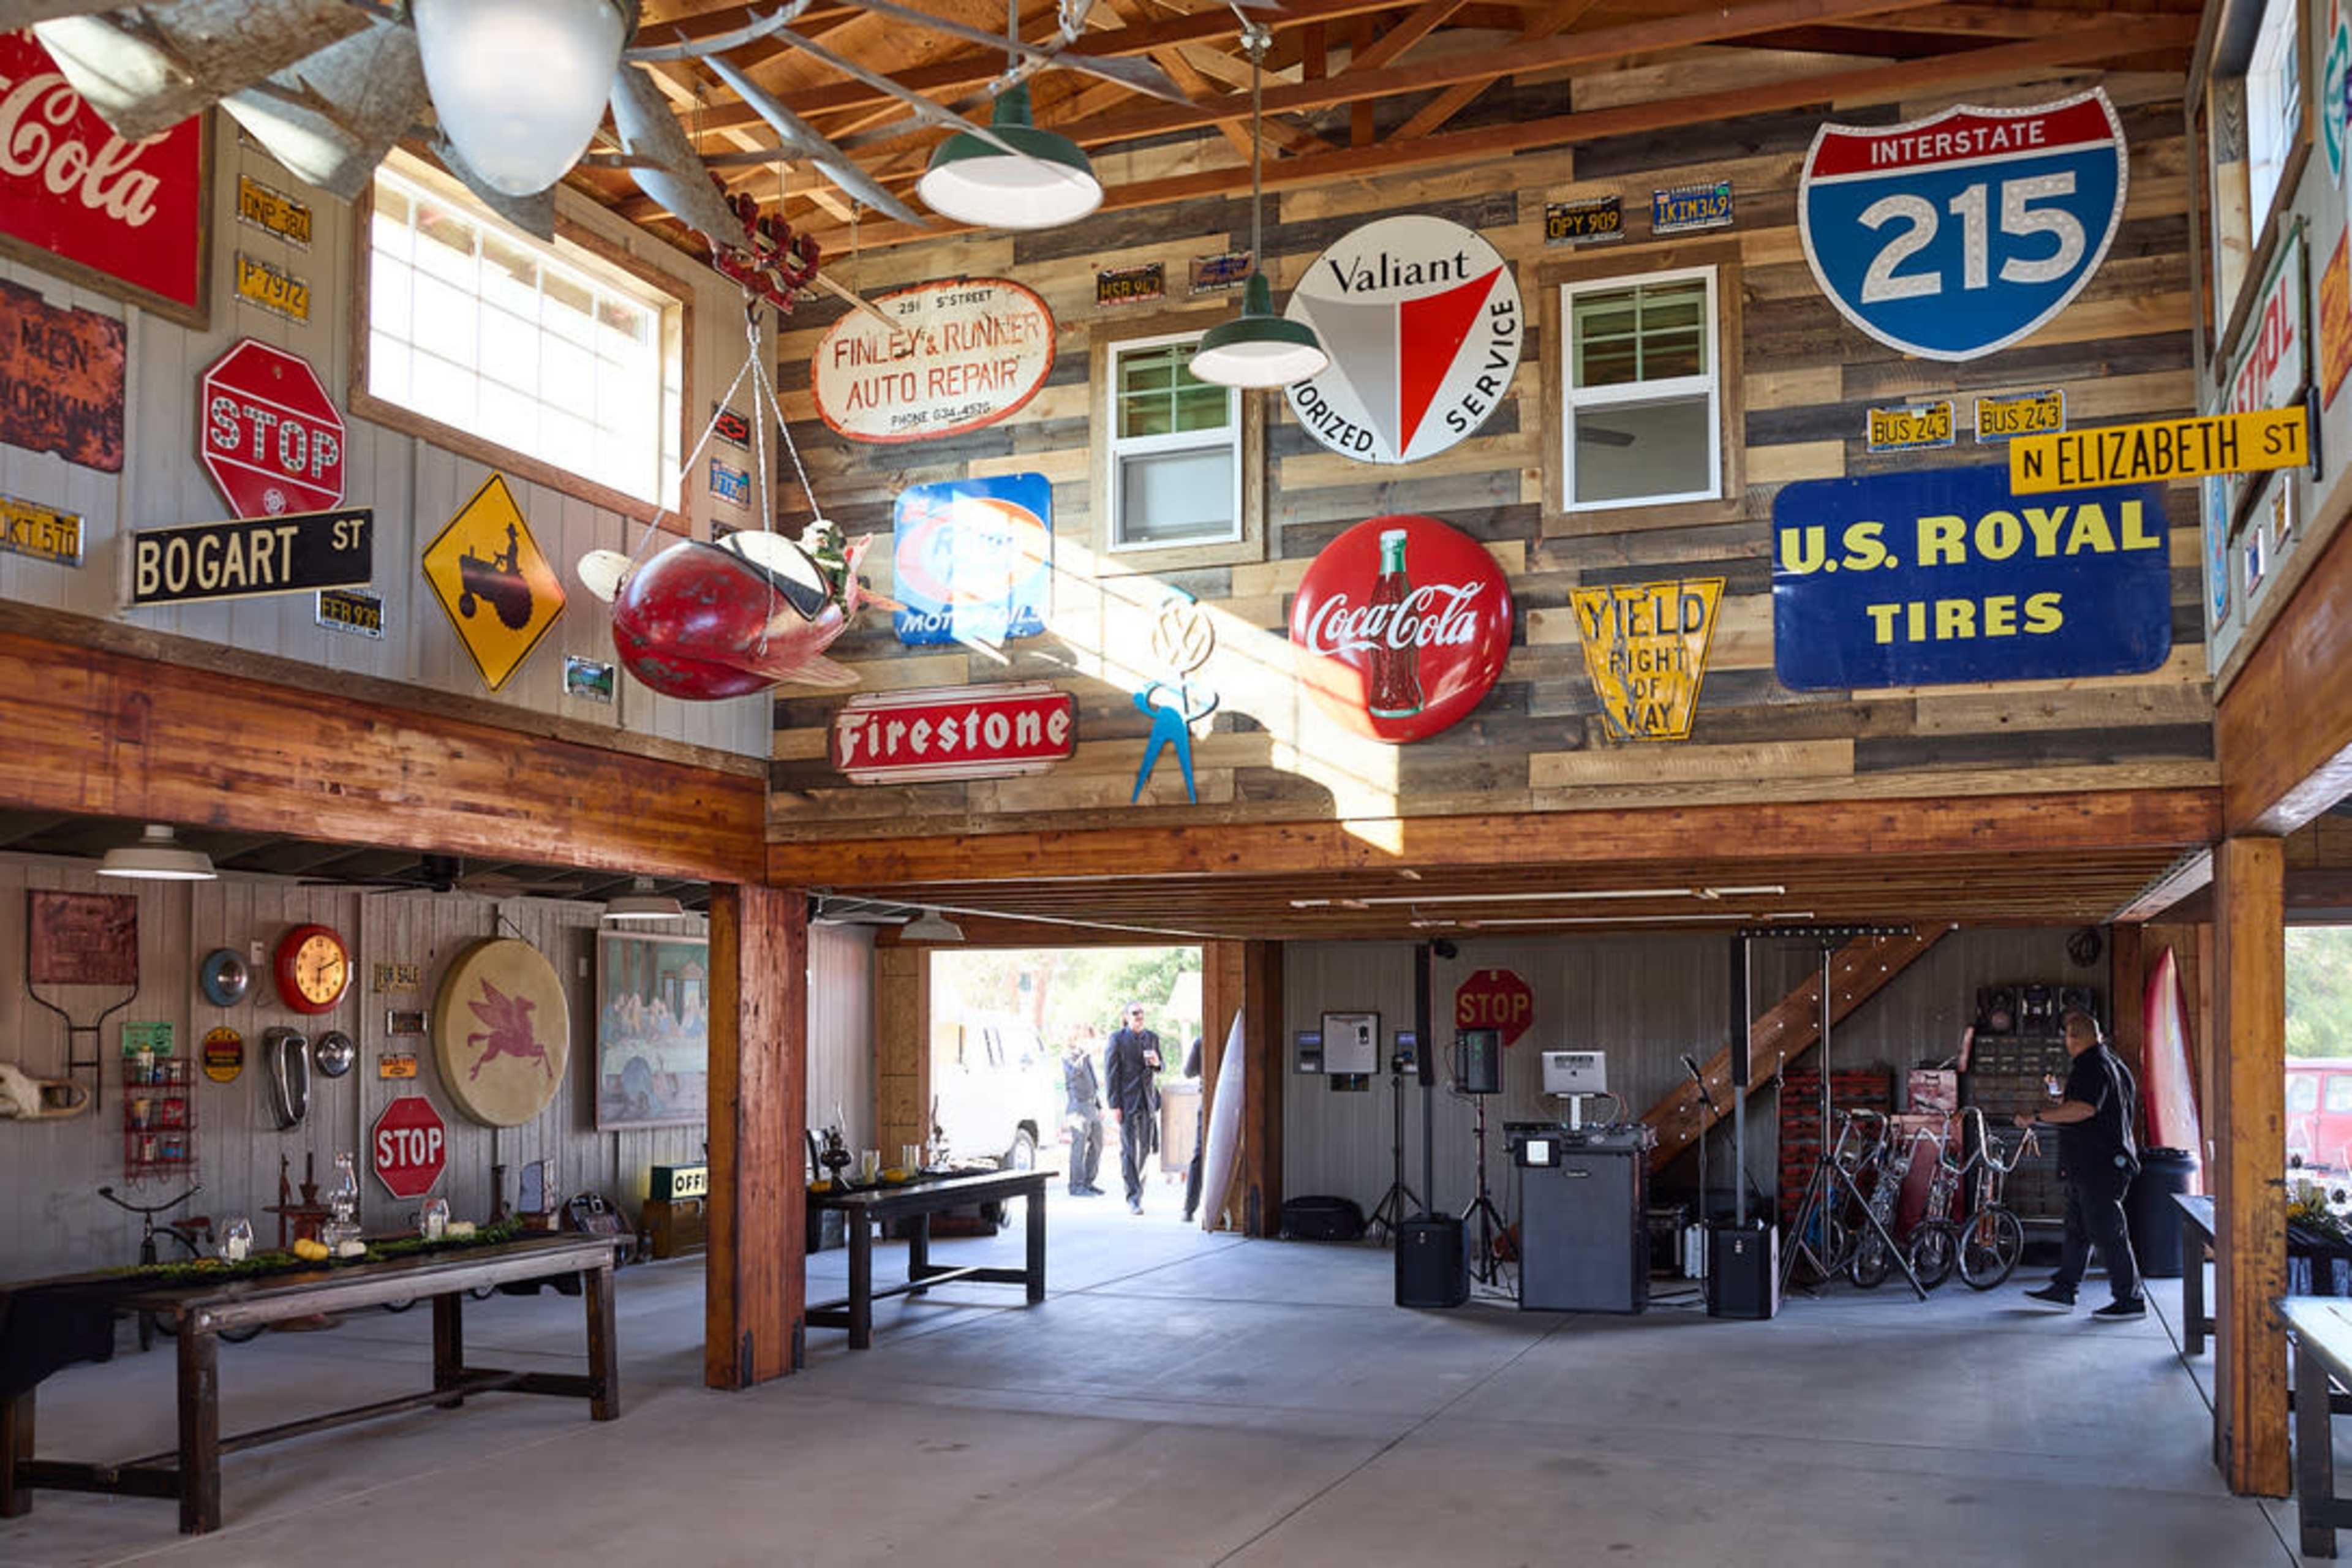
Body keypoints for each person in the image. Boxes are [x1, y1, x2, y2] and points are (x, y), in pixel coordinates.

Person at [2018, 1007, 2146, 1319]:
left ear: (2073, 1038)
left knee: (2108, 1230)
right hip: (2091, 1165)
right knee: (2077, 1229)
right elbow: (2085, 1104)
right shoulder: (2111, 1064)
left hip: (2099, 1165)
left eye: (2067, 1035)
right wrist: (2060, 1097)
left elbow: (2085, 1109)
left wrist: (2036, 1117)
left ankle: (2129, 1299)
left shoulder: (2092, 1065)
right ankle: (2065, 1288)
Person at [1102, 1002, 1164, 1215]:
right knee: (1129, 1150)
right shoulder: (1117, 1039)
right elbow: (1111, 1074)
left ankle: (1140, 1193)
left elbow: (1160, 1067)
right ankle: (1133, 1197)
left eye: (1142, 1013)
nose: (1140, 1017)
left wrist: (1157, 1063)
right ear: (1126, 1017)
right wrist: (1114, 1105)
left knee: (1145, 1150)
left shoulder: (1152, 1038)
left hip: (1148, 1101)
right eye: (1135, 1013)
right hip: (1127, 1101)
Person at [1061, 1030, 1105, 1198]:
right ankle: (1076, 1186)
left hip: (1091, 1106)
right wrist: (1084, 1055)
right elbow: (1073, 1073)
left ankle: (1088, 1182)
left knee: (1098, 1143)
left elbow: (1093, 1083)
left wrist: (1099, 1106)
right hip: (1078, 1107)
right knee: (1078, 1147)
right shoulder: (1067, 1056)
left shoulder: (1085, 1057)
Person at [1182, 1034, 1204, 1224]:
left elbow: (1188, 1072)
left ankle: (1189, 1208)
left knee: (1200, 1154)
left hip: (1208, 1100)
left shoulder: (1201, 1041)